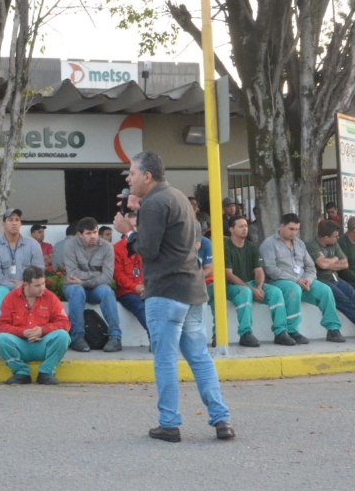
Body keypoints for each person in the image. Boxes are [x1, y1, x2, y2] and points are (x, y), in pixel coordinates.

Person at [113, 151, 233, 443]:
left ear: (148, 176)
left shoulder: (154, 204)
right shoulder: (178, 197)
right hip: (192, 290)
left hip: (165, 293)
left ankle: (169, 423)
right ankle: (222, 420)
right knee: (200, 357)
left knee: (165, 359)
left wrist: (127, 231)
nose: (129, 179)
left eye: (132, 173)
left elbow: (148, 250)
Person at [259, 213, 345, 343]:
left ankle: (333, 329)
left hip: (303, 281)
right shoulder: (269, 244)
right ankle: (292, 330)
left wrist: (308, 280)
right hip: (279, 282)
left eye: (297, 229)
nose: (294, 232)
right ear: (282, 226)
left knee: (325, 290)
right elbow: (271, 270)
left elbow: (310, 267)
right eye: (291, 229)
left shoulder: (300, 244)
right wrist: (296, 280)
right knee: (294, 289)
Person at [0, 266, 71, 385]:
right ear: (25, 284)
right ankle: (21, 372)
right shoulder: (10, 298)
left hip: (42, 343)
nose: (42, 288)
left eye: (43, 284)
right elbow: (0, 326)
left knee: (63, 336)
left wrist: (42, 330)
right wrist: (22, 332)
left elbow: (65, 323)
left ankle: (46, 372)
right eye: (37, 285)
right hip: (20, 344)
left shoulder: (50, 297)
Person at [222, 215, 289, 347]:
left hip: (251, 284)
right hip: (232, 286)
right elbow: (228, 274)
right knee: (245, 293)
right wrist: (251, 289)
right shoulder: (225, 247)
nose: (245, 229)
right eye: (240, 226)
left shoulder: (252, 247)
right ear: (231, 229)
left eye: (246, 226)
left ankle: (280, 332)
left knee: (276, 292)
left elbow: (259, 270)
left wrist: (258, 287)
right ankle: (245, 333)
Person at [64, 216, 123, 353]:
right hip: (74, 286)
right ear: (80, 234)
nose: (93, 236)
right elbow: (73, 273)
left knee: (107, 291)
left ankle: (115, 337)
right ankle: (77, 338)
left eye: (95, 232)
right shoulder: (70, 245)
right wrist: (96, 276)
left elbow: (107, 277)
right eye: (88, 233)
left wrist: (85, 280)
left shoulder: (107, 247)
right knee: (77, 290)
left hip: (95, 288)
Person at [0, 209, 43, 345]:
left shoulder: (32, 245)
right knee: (1, 292)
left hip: (28, 286)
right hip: (4, 285)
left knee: (40, 292)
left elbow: (39, 270)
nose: (14, 223)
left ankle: (34, 333)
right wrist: (15, 285)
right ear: (3, 224)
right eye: (10, 220)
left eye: (17, 220)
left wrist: (25, 285)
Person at [113, 211, 148, 337]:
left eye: (136, 225)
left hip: (147, 289)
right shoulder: (116, 248)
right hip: (127, 292)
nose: (134, 229)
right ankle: (156, 338)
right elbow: (118, 275)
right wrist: (135, 287)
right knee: (140, 306)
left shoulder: (145, 246)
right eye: (131, 226)